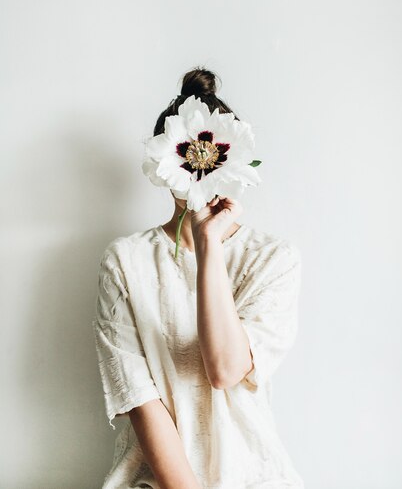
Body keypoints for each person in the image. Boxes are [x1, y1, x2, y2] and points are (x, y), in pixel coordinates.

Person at [92, 68, 304, 488]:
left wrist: (209, 245)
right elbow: (139, 399)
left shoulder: (273, 260)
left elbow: (225, 369)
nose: (199, 167)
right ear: (164, 161)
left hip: (253, 475)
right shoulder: (125, 262)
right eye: (186, 156)